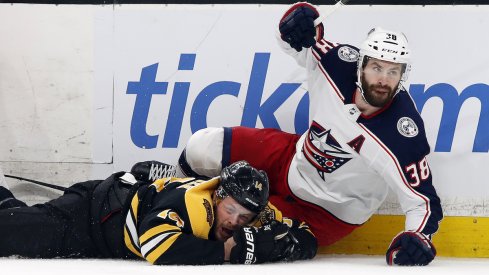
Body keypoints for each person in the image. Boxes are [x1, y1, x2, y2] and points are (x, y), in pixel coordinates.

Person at [176, 2, 442, 266]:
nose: (383, 80)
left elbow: (422, 202)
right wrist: (296, 19)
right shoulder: (337, 64)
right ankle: (169, 194)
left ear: (403, 76)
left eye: (393, 71)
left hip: (325, 215)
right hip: (290, 159)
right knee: (202, 147)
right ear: (360, 65)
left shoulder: (403, 134)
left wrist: (417, 239)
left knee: (236, 237)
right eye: (376, 68)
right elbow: (295, 39)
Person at [0, 160, 317, 265]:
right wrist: (226, 250)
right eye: (231, 210)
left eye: (244, 218)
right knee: (9, 234)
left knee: (20, 224)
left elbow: (304, 230)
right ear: (218, 194)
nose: (235, 221)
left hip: (111, 219)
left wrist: (292, 246)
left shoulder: (250, 207)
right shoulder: (190, 204)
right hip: (88, 215)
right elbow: (154, 245)